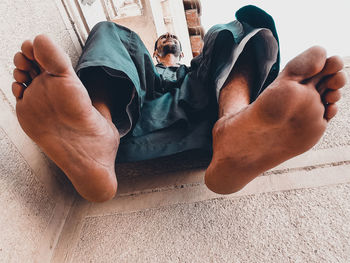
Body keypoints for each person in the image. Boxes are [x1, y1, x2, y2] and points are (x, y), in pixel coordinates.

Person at [11, 5, 346, 202]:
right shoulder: (143, 66)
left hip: (205, 108)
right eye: (163, 40)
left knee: (233, 30)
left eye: (173, 39)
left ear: (183, 50)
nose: (169, 40)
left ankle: (235, 128)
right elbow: (123, 54)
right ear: (155, 52)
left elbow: (221, 54)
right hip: (134, 110)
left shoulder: (200, 69)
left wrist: (204, 61)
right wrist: (143, 61)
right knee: (110, 32)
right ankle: (96, 133)